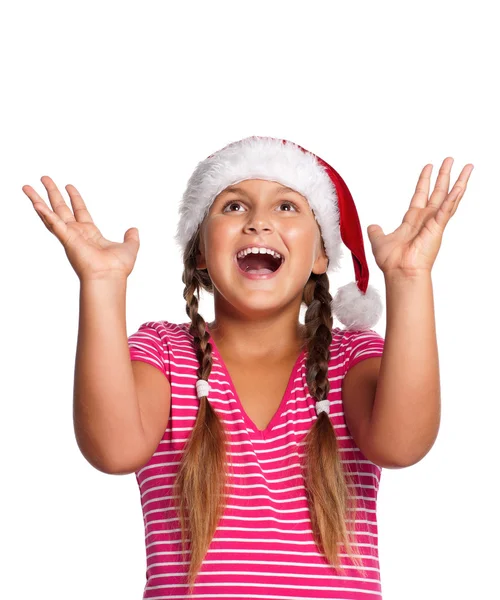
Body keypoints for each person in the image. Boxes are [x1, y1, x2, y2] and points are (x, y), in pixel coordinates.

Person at [23, 135, 473, 599]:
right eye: (235, 207)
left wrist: (409, 278)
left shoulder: (350, 359)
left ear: (322, 256)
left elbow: (403, 445)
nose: (259, 222)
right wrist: (101, 283)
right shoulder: (164, 354)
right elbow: (112, 451)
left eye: (287, 208)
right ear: (199, 250)